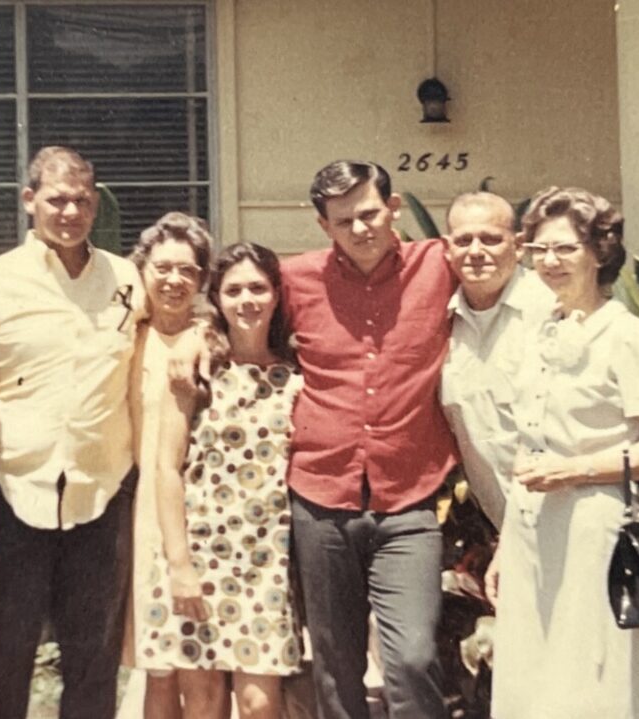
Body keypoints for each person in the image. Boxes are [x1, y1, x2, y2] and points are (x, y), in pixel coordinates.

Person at [0, 146, 146, 719]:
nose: (69, 212)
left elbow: (170, 332)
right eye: (56, 199)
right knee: (7, 651)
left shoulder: (125, 278)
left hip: (101, 488)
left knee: (93, 654)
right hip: (13, 488)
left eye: (82, 200)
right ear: (29, 200)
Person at [486, 187, 639, 718]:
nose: (550, 262)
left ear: (600, 253)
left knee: (591, 677)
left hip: (595, 531)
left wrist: (576, 470)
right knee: (533, 679)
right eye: (540, 250)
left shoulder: (626, 336)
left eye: (567, 249)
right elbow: (530, 448)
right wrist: (506, 544)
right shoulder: (539, 332)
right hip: (534, 530)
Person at [281, 161, 456, 719]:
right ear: (322, 225)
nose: (360, 229)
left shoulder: (441, 265)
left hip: (409, 501)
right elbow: (234, 317)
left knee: (412, 658)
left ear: (395, 206)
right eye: (343, 220)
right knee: (335, 663)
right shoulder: (295, 279)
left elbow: (506, 273)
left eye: (369, 213)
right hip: (319, 497)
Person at [141, 242, 302, 719]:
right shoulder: (199, 369)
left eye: (258, 287)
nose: (246, 300)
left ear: (276, 294)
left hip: (267, 561)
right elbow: (167, 468)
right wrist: (179, 565)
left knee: (258, 706)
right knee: (203, 702)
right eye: (233, 290)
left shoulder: (298, 375)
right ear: (217, 298)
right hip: (201, 556)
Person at [123, 211, 214, 719]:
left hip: (200, 517)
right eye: (162, 267)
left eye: (188, 270)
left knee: (198, 665)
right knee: (157, 665)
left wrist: (201, 334)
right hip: (140, 515)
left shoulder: (213, 341)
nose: (174, 280)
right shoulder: (125, 339)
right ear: (142, 270)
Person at [440, 192, 555, 529]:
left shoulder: (552, 310)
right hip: (504, 530)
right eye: (464, 241)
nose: (476, 252)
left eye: (491, 239)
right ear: (447, 248)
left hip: (570, 524)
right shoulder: (442, 324)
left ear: (518, 245)